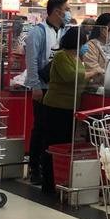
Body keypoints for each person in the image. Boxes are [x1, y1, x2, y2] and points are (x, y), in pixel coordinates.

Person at [24, 0, 70, 186]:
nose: (69, 13)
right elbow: (32, 61)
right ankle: (34, 167)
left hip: (58, 89)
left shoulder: (66, 32)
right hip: (42, 87)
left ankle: (48, 167)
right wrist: (35, 85)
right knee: (40, 127)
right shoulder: (38, 32)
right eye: (67, 9)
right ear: (57, 11)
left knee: (52, 129)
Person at [36, 25, 88, 194]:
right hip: (55, 107)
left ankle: (61, 181)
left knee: (65, 146)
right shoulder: (61, 56)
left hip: (70, 108)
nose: (85, 45)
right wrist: (92, 73)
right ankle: (48, 183)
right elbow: (71, 77)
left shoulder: (77, 58)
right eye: (83, 42)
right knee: (53, 145)